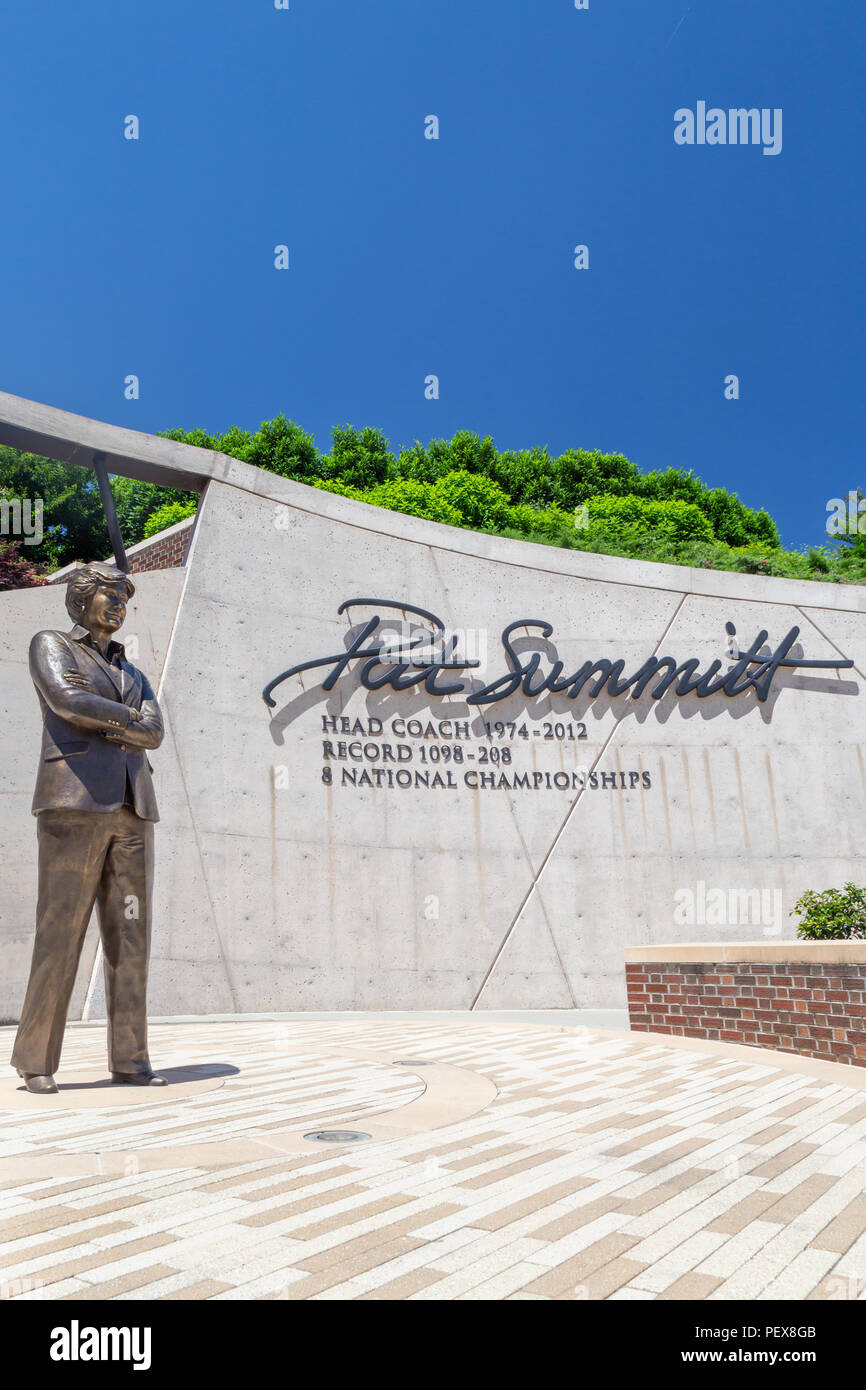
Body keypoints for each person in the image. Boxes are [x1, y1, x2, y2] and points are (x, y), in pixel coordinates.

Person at [11, 561, 166, 1093]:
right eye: (109, 594)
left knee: (131, 937)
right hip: (72, 802)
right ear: (81, 601)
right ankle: (36, 1060)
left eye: (125, 598)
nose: (119, 605)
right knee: (61, 930)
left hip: (133, 808)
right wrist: (128, 721)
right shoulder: (52, 644)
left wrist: (114, 721)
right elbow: (67, 700)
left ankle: (131, 1058)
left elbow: (156, 733)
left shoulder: (134, 671)